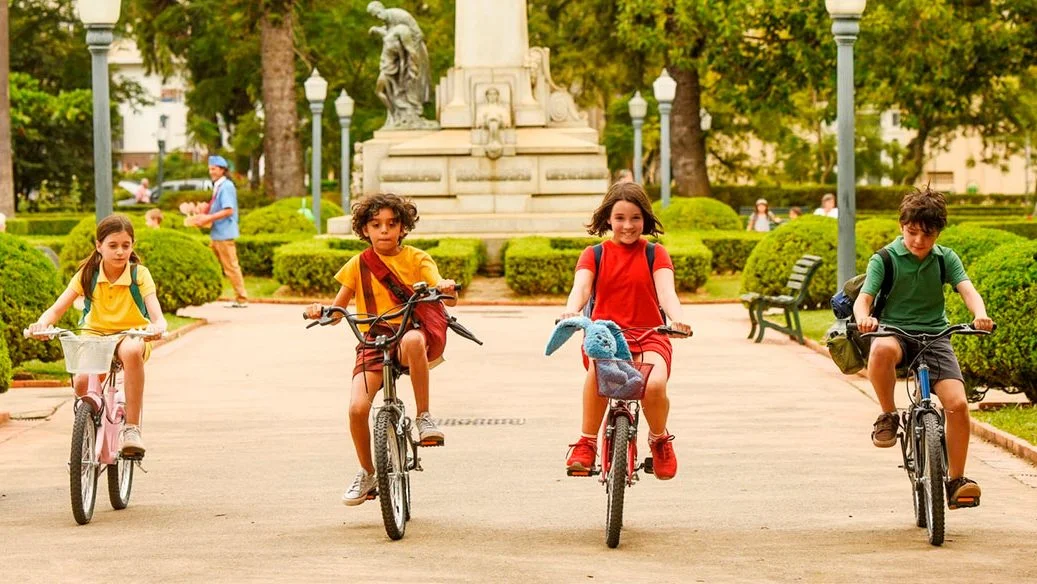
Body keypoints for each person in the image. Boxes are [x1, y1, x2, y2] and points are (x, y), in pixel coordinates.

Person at [303, 192, 457, 506]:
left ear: (403, 227)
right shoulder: (357, 264)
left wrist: (444, 287)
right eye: (376, 225)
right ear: (364, 230)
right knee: (357, 409)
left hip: (405, 337)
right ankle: (367, 470)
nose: (384, 230)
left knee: (414, 340)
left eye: (391, 223)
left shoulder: (417, 258)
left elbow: (440, 286)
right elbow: (337, 312)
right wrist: (320, 310)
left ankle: (424, 415)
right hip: (371, 342)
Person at [853, 186, 994, 509]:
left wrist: (980, 315)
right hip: (894, 332)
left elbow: (967, 290)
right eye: (912, 232)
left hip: (935, 336)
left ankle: (956, 480)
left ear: (938, 233)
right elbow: (865, 300)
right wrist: (865, 320)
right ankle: (888, 415)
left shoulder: (945, 259)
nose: (918, 241)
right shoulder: (885, 259)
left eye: (927, 235)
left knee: (958, 405)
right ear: (902, 226)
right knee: (881, 350)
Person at [559, 182, 693, 480]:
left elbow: (667, 293)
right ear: (608, 218)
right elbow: (580, 288)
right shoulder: (594, 254)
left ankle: (659, 439)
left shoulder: (655, 254)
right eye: (620, 218)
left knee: (654, 385)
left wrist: (678, 319)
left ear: (645, 219)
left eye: (635, 218)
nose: (628, 225)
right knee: (599, 372)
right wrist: (571, 309)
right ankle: (586, 442)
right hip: (605, 335)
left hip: (650, 334)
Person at [28, 215, 167, 457]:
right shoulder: (87, 274)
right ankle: (90, 428)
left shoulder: (139, 274)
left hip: (130, 334)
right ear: (99, 246)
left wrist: (158, 326)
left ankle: (131, 429)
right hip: (95, 336)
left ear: (132, 245)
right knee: (82, 382)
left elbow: (156, 313)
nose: (120, 252)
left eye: (126, 245)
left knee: (132, 350)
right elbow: (58, 308)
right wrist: (41, 325)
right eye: (113, 245)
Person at [192, 155, 248, 307]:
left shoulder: (226, 186)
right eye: (210, 169)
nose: (211, 172)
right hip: (218, 233)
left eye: (214, 169)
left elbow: (229, 210)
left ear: (222, 170)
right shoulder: (219, 186)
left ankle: (241, 298)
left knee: (230, 266)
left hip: (224, 233)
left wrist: (207, 218)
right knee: (211, 264)